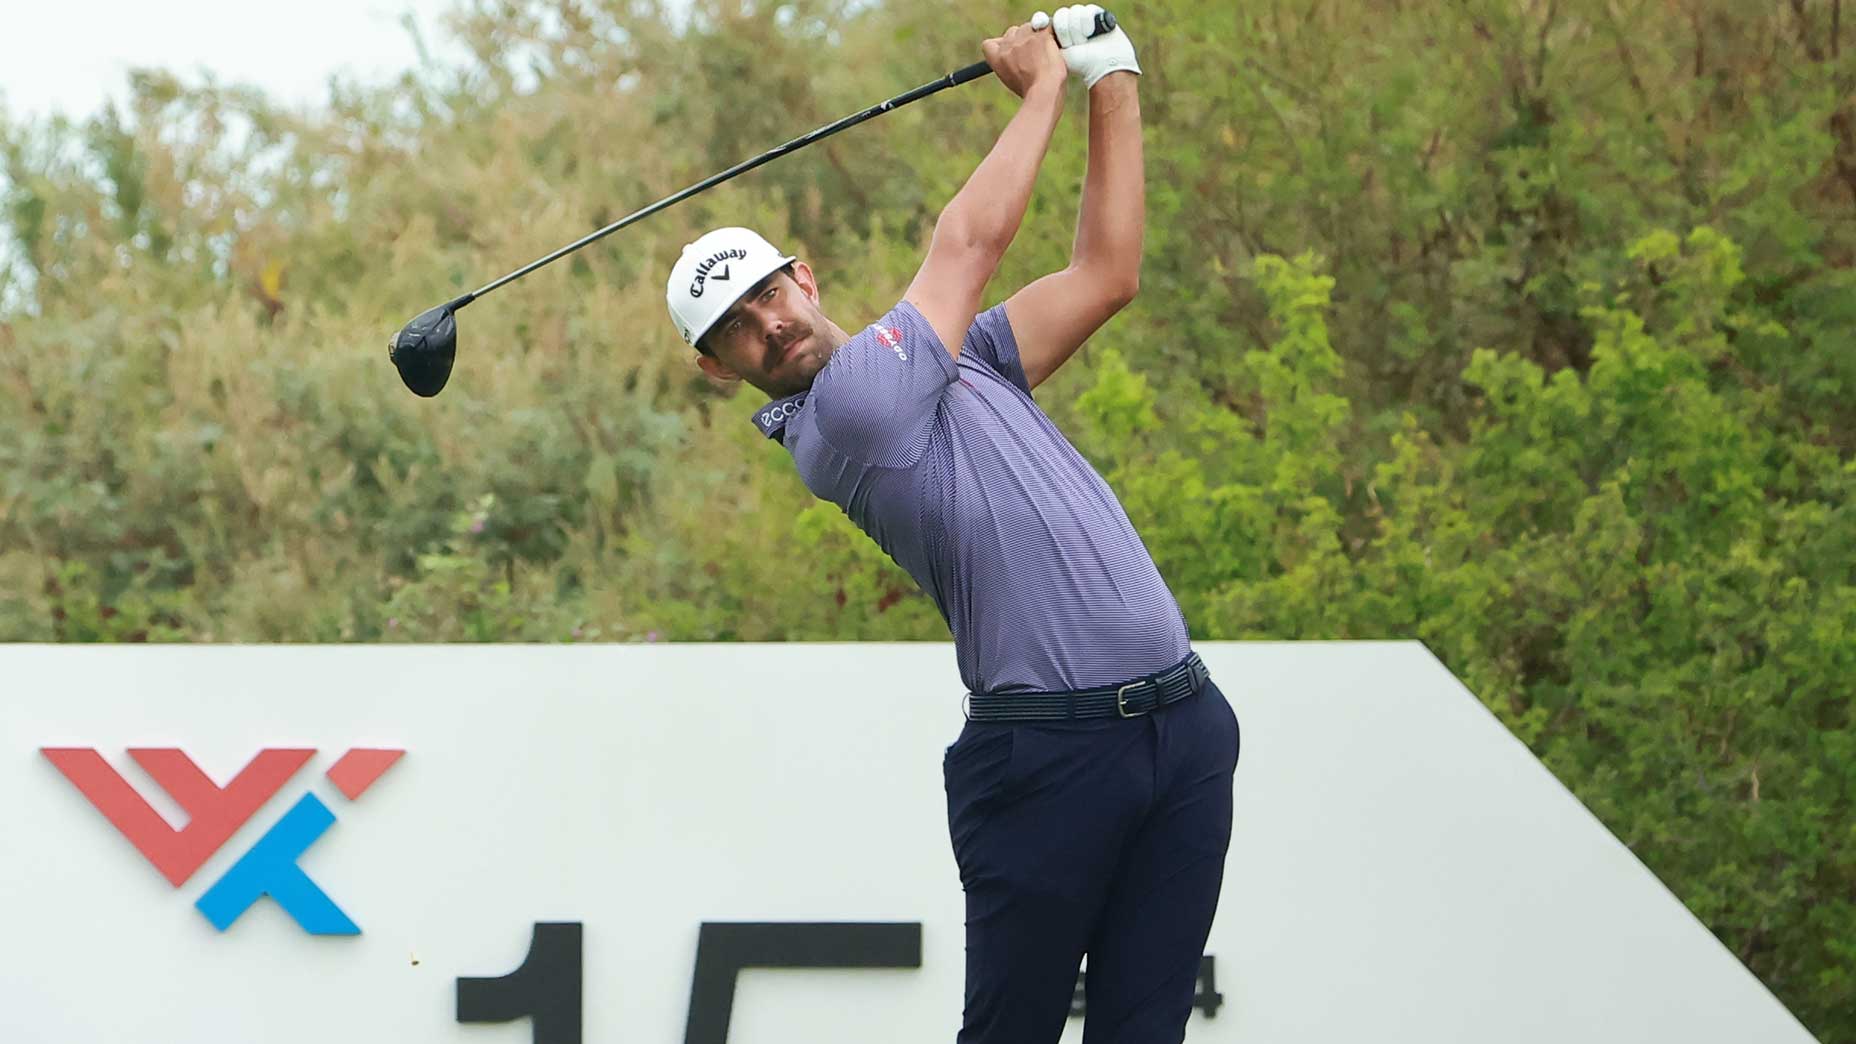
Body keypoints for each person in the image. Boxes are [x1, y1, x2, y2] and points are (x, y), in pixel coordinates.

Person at [663, 7, 1239, 1042]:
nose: (770, 327)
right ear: (719, 370)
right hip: (1045, 758)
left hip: (1182, 727)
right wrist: (1043, 85)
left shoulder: (961, 358)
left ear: (803, 274)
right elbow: (970, 239)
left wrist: (1112, 76)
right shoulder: (844, 416)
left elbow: (1106, 274)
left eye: (766, 296)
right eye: (736, 332)